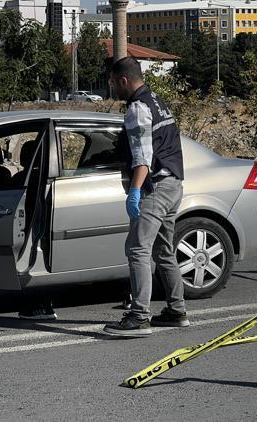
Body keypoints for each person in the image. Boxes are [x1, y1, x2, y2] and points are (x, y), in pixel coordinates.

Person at [103, 56, 188, 337]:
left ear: (123, 80)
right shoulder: (157, 102)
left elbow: (143, 156)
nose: (112, 88)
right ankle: (176, 310)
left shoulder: (137, 109)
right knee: (164, 250)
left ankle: (139, 316)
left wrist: (136, 190)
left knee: (138, 249)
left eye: (113, 83)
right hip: (174, 184)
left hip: (155, 187)